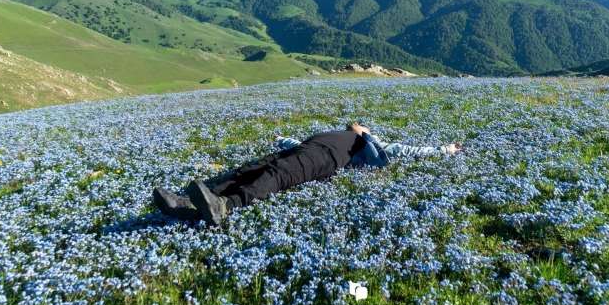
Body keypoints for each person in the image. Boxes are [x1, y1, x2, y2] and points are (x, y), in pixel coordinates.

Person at [153, 123, 462, 226]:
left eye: (361, 125)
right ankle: (188, 203)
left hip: (323, 160)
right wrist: (282, 139)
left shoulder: (370, 145)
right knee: (247, 169)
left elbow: (409, 151)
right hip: (302, 150)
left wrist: (445, 150)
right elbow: (300, 142)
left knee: (277, 176)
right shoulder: (338, 132)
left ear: (367, 131)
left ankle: (224, 206)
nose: (356, 124)